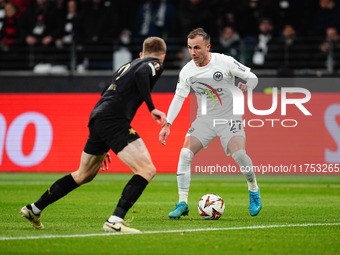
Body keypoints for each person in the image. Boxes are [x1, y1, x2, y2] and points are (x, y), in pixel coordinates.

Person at [20, 36, 167, 233]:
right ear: (163, 56)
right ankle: (115, 221)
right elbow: (142, 73)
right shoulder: (154, 63)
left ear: (141, 53)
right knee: (146, 170)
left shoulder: (127, 65)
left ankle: (34, 208)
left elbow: (106, 92)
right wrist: (152, 108)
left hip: (99, 117)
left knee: (84, 175)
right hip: (114, 120)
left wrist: (105, 141)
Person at [159, 28, 262, 219]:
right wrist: (168, 124)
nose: (192, 52)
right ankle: (182, 203)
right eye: (190, 48)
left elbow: (252, 76)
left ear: (208, 46)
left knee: (240, 154)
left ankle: (253, 190)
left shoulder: (224, 61)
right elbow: (179, 98)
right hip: (205, 120)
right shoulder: (187, 70)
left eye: (197, 47)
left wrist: (248, 86)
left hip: (230, 117)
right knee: (184, 154)